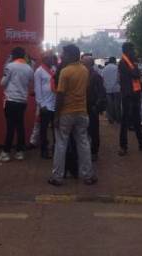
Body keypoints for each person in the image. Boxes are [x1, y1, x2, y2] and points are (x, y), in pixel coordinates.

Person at [48, 45, 98, 186]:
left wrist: (56, 116)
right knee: (83, 143)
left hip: (66, 113)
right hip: (82, 112)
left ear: (70, 55)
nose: (62, 56)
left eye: (64, 54)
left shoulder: (65, 72)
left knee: (61, 144)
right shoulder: (85, 70)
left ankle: (57, 177)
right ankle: (88, 175)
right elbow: (86, 90)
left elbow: (60, 95)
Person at [117, 42, 142, 156]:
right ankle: (123, 146)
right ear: (127, 51)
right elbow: (135, 74)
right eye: (133, 50)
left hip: (133, 95)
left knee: (136, 121)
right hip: (128, 96)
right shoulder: (124, 62)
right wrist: (136, 69)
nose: (135, 52)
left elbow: (136, 74)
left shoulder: (130, 62)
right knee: (125, 122)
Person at [0, 46, 34, 162]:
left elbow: (2, 83)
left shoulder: (10, 67)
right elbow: (30, 80)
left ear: (12, 55)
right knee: (20, 126)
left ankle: (6, 152)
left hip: (10, 100)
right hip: (22, 101)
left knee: (10, 127)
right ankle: (20, 152)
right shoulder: (29, 68)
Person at [33, 51, 57, 159]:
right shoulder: (39, 71)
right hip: (45, 105)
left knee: (56, 129)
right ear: (44, 59)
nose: (51, 60)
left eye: (52, 58)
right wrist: (41, 104)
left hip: (55, 104)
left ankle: (55, 149)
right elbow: (37, 89)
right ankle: (44, 150)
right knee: (44, 130)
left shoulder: (54, 70)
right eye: (49, 58)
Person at [85, 51, 107, 160]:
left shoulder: (95, 76)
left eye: (83, 63)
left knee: (93, 130)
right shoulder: (84, 74)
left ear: (89, 64)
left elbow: (102, 93)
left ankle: (94, 152)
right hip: (84, 107)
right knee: (85, 130)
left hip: (92, 107)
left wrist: (97, 106)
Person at [101, 56, 121, 124]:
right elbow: (119, 78)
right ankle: (118, 119)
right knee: (117, 105)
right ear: (114, 61)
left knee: (109, 105)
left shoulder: (105, 68)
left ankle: (111, 119)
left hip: (107, 89)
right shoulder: (117, 67)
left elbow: (102, 78)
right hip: (116, 88)